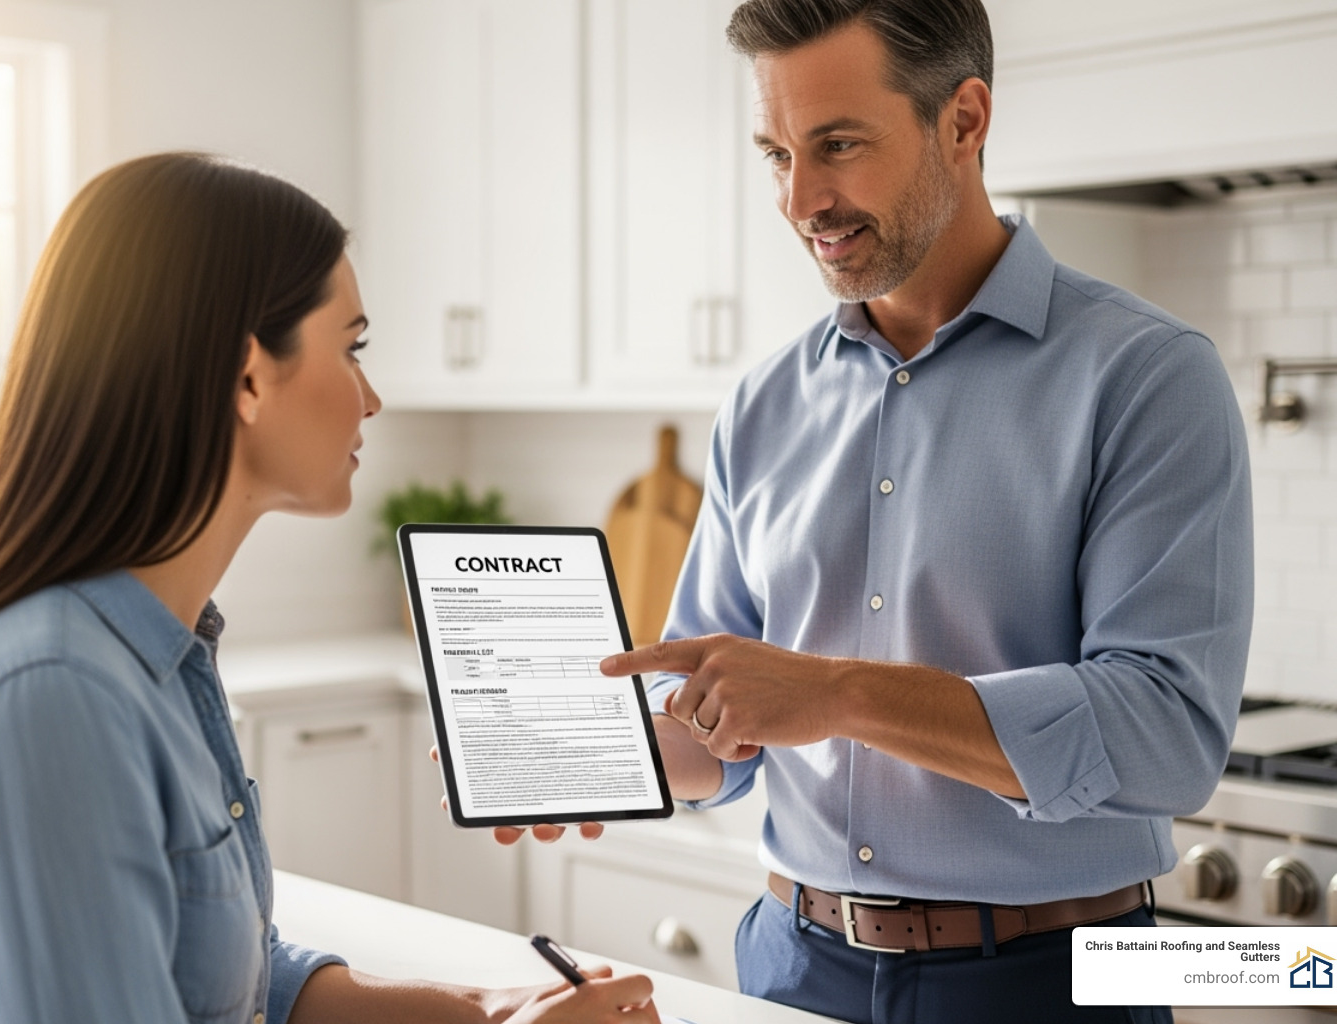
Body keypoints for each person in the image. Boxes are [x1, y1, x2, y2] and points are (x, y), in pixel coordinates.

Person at [518, 2, 1252, 1022]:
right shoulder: (763, 404)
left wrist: (839, 693)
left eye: (839, 145)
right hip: (792, 965)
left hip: (1053, 983)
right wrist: (579, 759)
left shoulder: (1145, 378)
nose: (800, 198)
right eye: (775, 153)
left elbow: (1167, 733)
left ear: (964, 120)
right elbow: (719, 727)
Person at [0, 152, 660, 1024]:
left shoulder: (160, 651)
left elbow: (235, 980)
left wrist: (492, 1012)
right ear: (246, 375)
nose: (372, 397)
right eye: (351, 350)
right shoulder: (50, 696)